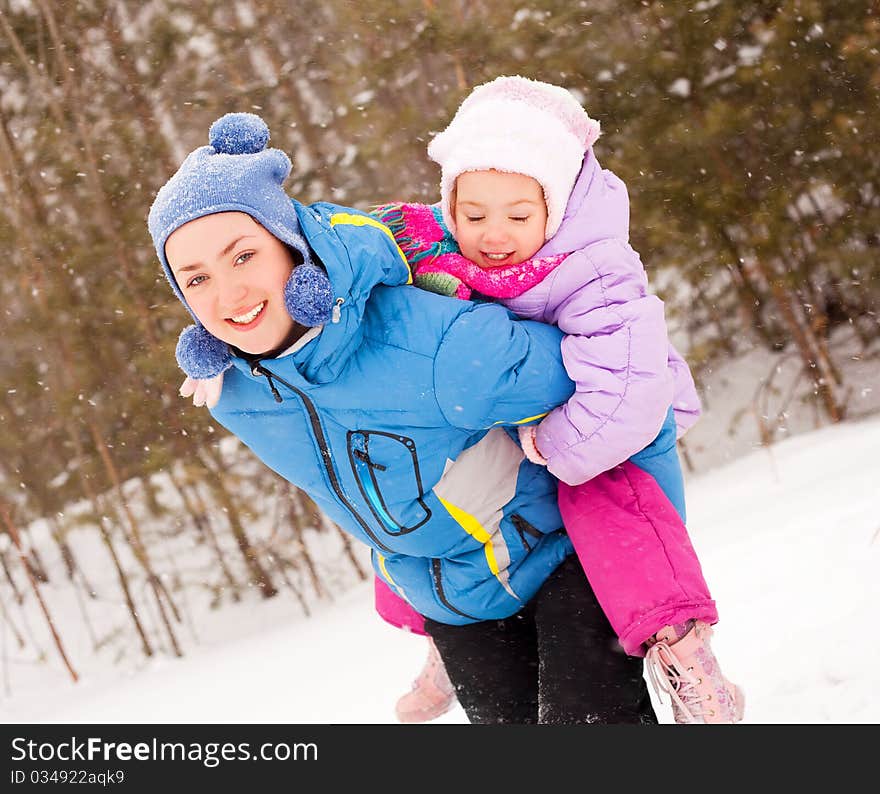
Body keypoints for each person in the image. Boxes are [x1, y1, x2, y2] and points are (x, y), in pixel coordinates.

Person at [148, 111, 658, 723]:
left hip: (557, 559)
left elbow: (588, 372)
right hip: (455, 603)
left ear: (291, 249)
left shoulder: (426, 347)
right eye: (196, 278)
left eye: (243, 256)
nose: (227, 296)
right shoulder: (238, 394)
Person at [370, 75, 744, 725]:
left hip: (604, 442)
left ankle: (681, 647)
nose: (492, 235)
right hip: (519, 443)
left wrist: (557, 446)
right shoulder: (445, 251)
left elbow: (628, 384)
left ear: (556, 206)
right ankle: (437, 638)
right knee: (412, 503)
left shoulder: (593, 266)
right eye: (473, 214)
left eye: (518, 216)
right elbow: (357, 249)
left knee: (613, 523)